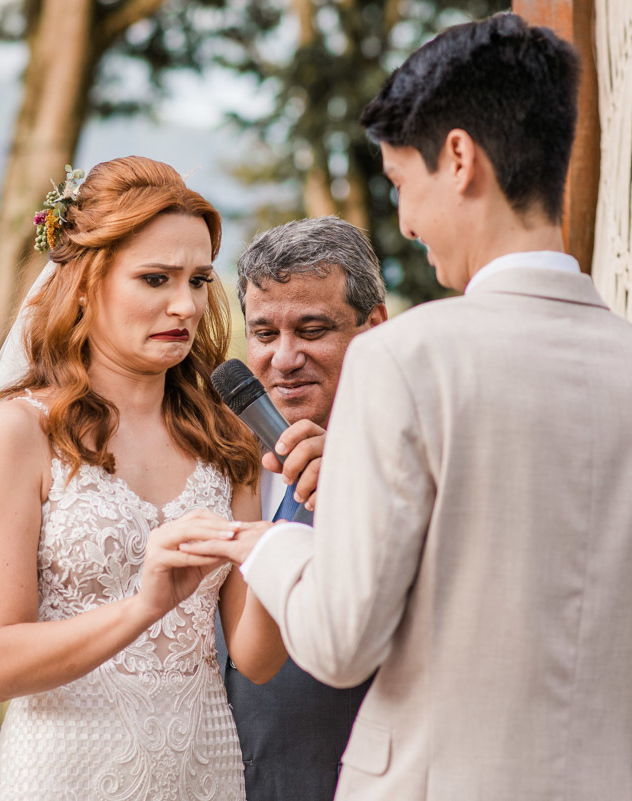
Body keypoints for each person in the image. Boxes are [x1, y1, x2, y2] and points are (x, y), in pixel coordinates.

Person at [184, 13, 632, 801]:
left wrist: (265, 546)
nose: (405, 221)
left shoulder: (402, 360)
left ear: (460, 159)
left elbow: (339, 642)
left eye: (403, 183)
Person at [0, 157, 286, 801]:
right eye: (156, 279)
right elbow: (0, 664)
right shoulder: (19, 433)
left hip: (204, 773)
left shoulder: (225, 436)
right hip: (65, 774)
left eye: (200, 279)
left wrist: (292, 532)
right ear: (87, 284)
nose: (187, 305)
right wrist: (143, 608)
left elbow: (256, 658)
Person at [217, 216, 386, 801]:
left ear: (373, 328)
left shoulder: (410, 469)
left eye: (312, 329)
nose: (284, 359)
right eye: (264, 334)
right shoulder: (214, 458)